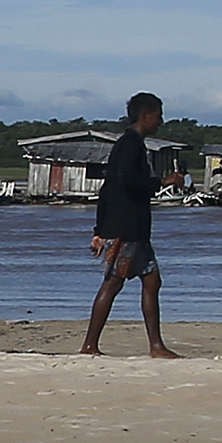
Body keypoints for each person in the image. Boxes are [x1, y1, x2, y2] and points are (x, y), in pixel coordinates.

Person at [80, 92, 178, 358]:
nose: (161, 121)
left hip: (136, 230)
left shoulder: (134, 144)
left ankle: (156, 346)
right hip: (125, 228)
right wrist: (162, 182)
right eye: (159, 116)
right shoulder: (130, 144)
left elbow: (110, 188)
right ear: (146, 116)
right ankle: (89, 345)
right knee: (112, 284)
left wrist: (99, 230)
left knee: (152, 280)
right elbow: (122, 183)